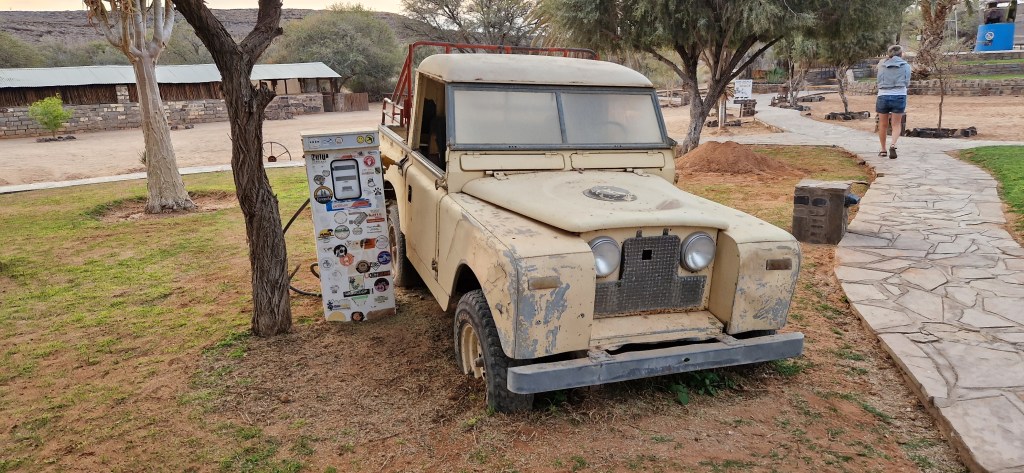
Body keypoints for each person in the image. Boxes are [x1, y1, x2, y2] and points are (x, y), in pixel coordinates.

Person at [876, 45, 911, 159]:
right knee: (896, 124)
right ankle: (893, 144)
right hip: (899, 95)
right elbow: (907, 82)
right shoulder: (906, 66)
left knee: (883, 124)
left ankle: (883, 150)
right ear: (901, 54)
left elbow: (879, 80)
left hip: (883, 96)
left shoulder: (881, 64)